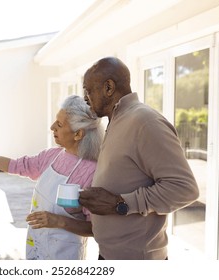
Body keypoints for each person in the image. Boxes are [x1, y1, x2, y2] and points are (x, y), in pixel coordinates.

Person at [79, 57, 200, 260]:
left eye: (88, 90)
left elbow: (184, 189)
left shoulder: (144, 121)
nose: (85, 98)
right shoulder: (117, 121)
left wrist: (119, 204)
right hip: (109, 255)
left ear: (108, 88)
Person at [0, 95, 103, 260]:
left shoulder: (92, 173)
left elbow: (97, 229)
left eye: (60, 125)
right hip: (36, 248)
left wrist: (59, 221)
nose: (52, 127)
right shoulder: (51, 156)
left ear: (78, 134)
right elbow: (14, 165)